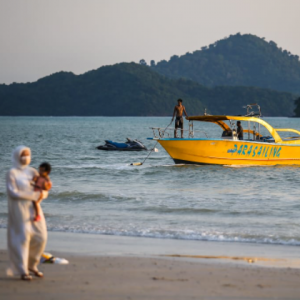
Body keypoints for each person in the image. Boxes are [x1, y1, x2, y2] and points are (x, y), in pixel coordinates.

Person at [6, 146, 48, 281]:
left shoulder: (32, 171)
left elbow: (41, 189)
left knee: (41, 237)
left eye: (28, 154)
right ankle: (22, 269)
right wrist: (33, 195)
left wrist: (43, 194)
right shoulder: (12, 173)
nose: (26, 157)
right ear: (17, 156)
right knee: (23, 238)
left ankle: (32, 264)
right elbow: (13, 192)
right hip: (19, 209)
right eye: (23, 155)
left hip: (35, 208)